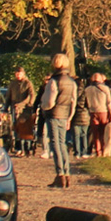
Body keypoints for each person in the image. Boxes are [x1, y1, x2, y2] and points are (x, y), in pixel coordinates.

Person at [37, 56, 81, 186]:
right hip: (65, 114)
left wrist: (44, 108)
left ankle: (60, 173)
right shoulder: (71, 82)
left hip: (54, 114)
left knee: (55, 144)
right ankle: (67, 173)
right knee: (63, 144)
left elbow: (49, 101)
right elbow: (73, 101)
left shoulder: (54, 81)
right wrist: (70, 117)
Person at [79, 72, 111, 158]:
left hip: (92, 112)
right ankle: (104, 150)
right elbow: (109, 102)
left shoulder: (87, 89)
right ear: (100, 79)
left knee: (95, 133)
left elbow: (85, 102)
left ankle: (98, 151)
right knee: (104, 132)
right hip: (103, 112)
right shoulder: (105, 88)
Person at [7, 66, 36, 151]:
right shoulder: (13, 83)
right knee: (15, 128)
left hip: (24, 109)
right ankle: (17, 147)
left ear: (23, 74)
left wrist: (29, 104)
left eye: (19, 73)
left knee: (24, 128)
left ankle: (26, 148)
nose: (18, 75)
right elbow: (8, 96)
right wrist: (6, 107)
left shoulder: (27, 83)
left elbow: (32, 95)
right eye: (16, 73)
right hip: (14, 108)